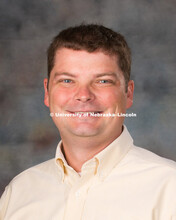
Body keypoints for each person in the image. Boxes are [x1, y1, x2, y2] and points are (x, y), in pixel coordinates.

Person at [0, 24, 176, 220]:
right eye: (67, 80)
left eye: (103, 81)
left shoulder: (169, 188)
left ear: (128, 93)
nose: (83, 96)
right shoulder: (18, 193)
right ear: (47, 92)